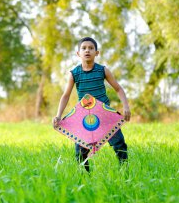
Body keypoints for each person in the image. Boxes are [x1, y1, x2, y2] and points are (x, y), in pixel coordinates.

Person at [53, 37, 131, 172]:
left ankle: (125, 171)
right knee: (80, 152)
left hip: (105, 115)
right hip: (84, 117)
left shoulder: (103, 70)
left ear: (97, 53)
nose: (87, 50)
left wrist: (126, 107)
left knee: (119, 144)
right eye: (83, 48)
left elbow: (118, 88)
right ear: (78, 53)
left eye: (91, 48)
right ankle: (85, 178)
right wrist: (58, 115)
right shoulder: (74, 74)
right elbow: (65, 95)